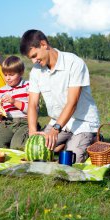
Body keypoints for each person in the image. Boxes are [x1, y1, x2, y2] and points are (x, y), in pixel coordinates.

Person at [20, 29, 100, 163]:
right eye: (31, 58)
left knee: (71, 160)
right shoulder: (36, 71)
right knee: (35, 153)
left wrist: (55, 130)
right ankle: (64, 143)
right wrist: (32, 131)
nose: (34, 61)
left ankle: (93, 138)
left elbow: (72, 103)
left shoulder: (74, 63)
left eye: (35, 55)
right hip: (57, 121)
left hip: (82, 121)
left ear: (44, 44)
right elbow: (32, 104)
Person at [0, 56, 29, 150]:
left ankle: (16, 143)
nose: (8, 78)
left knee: (18, 146)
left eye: (11, 75)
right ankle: (7, 145)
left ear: (21, 72)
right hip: (7, 123)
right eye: (5, 75)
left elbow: (33, 109)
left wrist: (14, 102)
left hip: (24, 122)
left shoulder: (27, 86)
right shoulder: (1, 91)